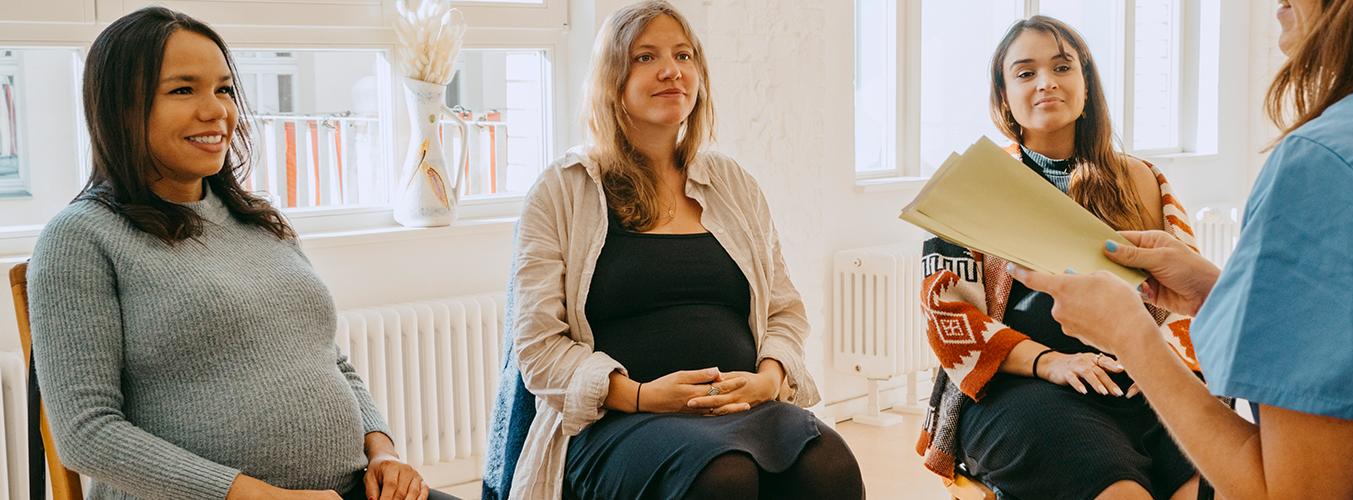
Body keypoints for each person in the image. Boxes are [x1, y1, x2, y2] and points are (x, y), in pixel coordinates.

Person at [1008, 1, 1353, 499]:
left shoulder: (1333, 161)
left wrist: (1130, 336)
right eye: (1025, 72)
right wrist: (1215, 292)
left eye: (1062, 66)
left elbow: (1295, 493)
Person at [27, 7, 453, 500]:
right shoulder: (80, 238)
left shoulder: (257, 217)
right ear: (122, 107)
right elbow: (88, 436)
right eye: (183, 89)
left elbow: (326, 358)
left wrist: (383, 452)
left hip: (347, 489)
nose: (216, 112)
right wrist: (259, 495)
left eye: (224, 88)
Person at [480, 2, 863, 499]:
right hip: (617, 422)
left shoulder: (732, 184)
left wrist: (769, 379)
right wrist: (641, 396)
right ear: (612, 79)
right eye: (645, 57)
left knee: (832, 465)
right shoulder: (563, 190)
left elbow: (784, 310)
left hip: (745, 410)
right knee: (725, 478)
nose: (671, 70)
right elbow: (538, 347)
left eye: (684, 55)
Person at [915, 16, 1206, 500]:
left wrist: (1156, 361)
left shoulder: (1143, 179)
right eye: (1025, 72)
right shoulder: (972, 186)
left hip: (1135, 379)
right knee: (1121, 493)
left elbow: (1183, 304)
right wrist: (1050, 362)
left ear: (1086, 84)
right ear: (1003, 95)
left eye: (1062, 66)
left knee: (1209, 480)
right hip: (1018, 389)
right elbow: (945, 317)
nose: (1046, 81)